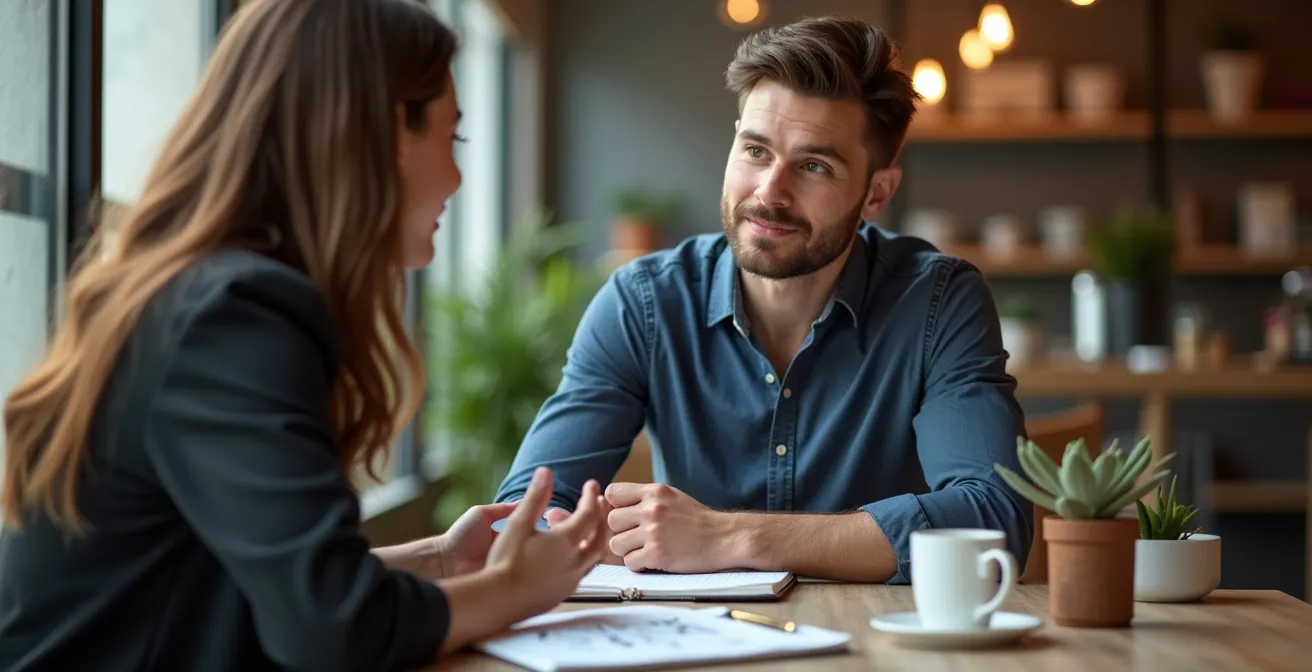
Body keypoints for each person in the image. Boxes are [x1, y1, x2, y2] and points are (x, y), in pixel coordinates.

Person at [0, 1, 607, 670]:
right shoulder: (234, 317)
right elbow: (334, 630)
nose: (458, 177)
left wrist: (442, 558)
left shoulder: (196, 295)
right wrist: (518, 588)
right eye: (452, 137)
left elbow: (252, 578)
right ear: (381, 133)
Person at [493, 16, 1032, 584]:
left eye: (814, 165)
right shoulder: (643, 303)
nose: (770, 192)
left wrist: (726, 536)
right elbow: (515, 522)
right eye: (755, 150)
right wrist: (579, 536)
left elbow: (993, 525)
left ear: (877, 192)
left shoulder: (938, 301)